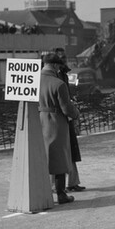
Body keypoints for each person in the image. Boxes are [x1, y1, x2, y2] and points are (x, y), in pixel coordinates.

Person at [39, 53, 80, 205]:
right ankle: (61, 194)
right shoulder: (58, 84)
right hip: (56, 122)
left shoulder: (34, 81)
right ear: (56, 66)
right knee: (60, 159)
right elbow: (67, 109)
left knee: (43, 157)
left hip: (40, 120)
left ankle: (44, 192)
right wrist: (76, 113)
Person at [54, 47, 86, 192]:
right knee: (58, 151)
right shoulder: (54, 76)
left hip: (66, 115)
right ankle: (56, 185)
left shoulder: (64, 75)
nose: (63, 60)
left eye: (64, 57)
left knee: (71, 149)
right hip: (59, 116)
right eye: (61, 58)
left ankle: (72, 182)